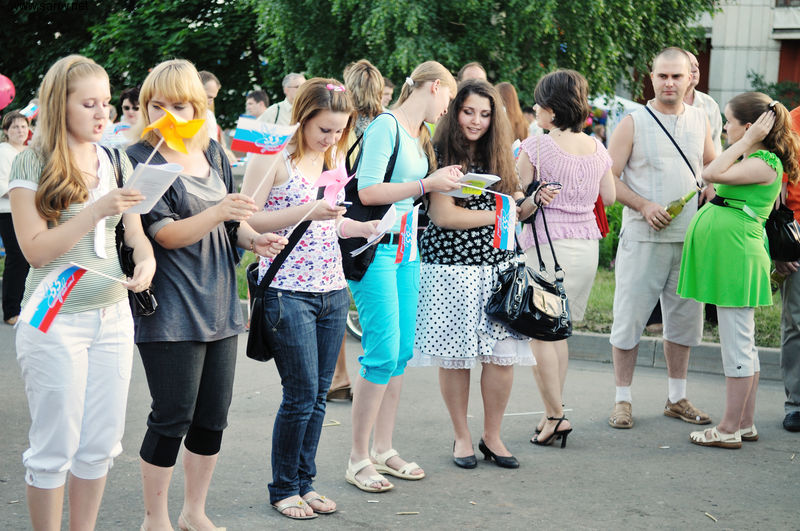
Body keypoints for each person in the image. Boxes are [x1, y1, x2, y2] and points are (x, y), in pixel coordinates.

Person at [127, 59, 286, 531]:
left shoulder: (213, 152)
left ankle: (194, 512)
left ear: (198, 107)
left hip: (219, 304)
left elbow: (232, 223)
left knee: (212, 418)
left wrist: (252, 237)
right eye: (157, 105)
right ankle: (154, 518)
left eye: (179, 106)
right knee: (172, 416)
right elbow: (164, 235)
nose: (167, 116)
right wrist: (219, 212)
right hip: (170, 308)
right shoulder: (140, 159)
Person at [8, 54, 155, 531]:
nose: (101, 114)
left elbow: (134, 234)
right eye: (88, 104)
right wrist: (95, 210)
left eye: (106, 103)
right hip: (53, 315)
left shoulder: (114, 159)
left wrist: (146, 261)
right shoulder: (32, 161)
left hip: (112, 315)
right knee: (54, 447)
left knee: (100, 446)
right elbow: (34, 251)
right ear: (59, 104)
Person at [242, 77, 380, 520]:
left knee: (320, 395)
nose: (332, 137)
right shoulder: (273, 158)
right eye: (324, 129)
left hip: (332, 290)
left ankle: (305, 482)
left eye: (340, 130)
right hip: (288, 291)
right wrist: (308, 210)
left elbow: (328, 222)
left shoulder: (334, 157)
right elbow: (247, 221)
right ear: (301, 119)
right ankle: (284, 487)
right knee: (300, 395)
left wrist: (357, 227)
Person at [412, 79, 541, 469]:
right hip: (450, 267)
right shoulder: (438, 151)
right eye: (468, 112)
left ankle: (492, 436)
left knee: (502, 357)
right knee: (456, 357)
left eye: (485, 114)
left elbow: (516, 205)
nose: (476, 121)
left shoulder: (500, 151)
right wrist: (498, 215)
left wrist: (531, 202)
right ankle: (462, 436)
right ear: (455, 112)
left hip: (499, 267)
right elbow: (443, 215)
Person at [345, 60, 461, 492]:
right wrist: (428, 184)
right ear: (435, 87)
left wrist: (442, 184)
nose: (447, 108)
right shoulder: (386, 126)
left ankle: (382, 448)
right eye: (449, 97)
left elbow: (413, 193)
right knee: (381, 353)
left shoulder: (418, 133)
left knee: (400, 353)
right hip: (375, 248)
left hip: (406, 250)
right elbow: (368, 190)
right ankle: (358, 457)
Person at [678, 93, 800, 448]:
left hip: (737, 256)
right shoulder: (754, 157)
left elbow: (710, 173)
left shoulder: (764, 161)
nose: (724, 128)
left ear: (749, 127)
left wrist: (746, 141)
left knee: (737, 345)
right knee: (742, 343)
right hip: (732, 253)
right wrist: (745, 142)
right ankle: (744, 424)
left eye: (729, 122)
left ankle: (729, 428)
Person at [605, 47, 716, 430]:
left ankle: (677, 397)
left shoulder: (701, 119)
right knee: (629, 322)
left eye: (676, 76)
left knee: (684, 323)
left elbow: (711, 167)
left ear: (690, 78)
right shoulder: (633, 122)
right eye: (662, 76)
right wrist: (643, 205)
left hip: (689, 240)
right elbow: (609, 179)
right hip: (642, 239)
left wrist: (712, 189)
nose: (669, 83)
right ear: (651, 78)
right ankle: (622, 400)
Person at [517, 69, 616, 446]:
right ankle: (550, 413)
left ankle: (556, 415)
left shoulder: (536, 147)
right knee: (559, 332)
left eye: (539, 103)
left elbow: (520, 201)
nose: (535, 109)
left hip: (545, 246)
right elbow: (609, 198)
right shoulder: (597, 148)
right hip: (585, 246)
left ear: (553, 109)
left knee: (540, 335)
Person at [326, 59, 387, 401]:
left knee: (335, 298)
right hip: (377, 221)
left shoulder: (340, 127)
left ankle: (338, 376)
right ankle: (368, 376)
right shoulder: (387, 125)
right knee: (369, 306)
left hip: (339, 217)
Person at [770, 104, 800, 433]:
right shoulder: (791, 123)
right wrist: (779, 248)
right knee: (796, 321)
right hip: (798, 233)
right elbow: (774, 192)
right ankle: (797, 405)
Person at [0, 111, 31, 325]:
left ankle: (25, 306)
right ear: (6, 131)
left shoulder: (30, 151)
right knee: (16, 258)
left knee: (30, 258)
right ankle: (11, 311)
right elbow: (3, 184)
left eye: (23, 126)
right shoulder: (3, 151)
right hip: (8, 212)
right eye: (15, 127)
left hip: (30, 211)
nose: (20, 131)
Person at [684, 50, 723, 155]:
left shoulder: (710, 104)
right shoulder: (661, 104)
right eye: (689, 65)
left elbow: (716, 146)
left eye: (696, 65)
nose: (695, 70)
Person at [199, 70, 221, 142]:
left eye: (213, 98)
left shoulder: (209, 115)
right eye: (209, 97)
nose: (210, 102)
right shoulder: (181, 114)